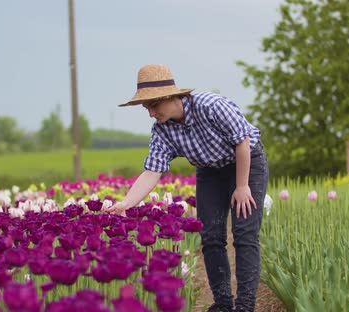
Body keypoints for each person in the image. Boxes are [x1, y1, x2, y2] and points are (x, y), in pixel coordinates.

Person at [105, 64, 269, 312]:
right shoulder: (162, 130)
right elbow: (152, 171)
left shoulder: (211, 105)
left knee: (244, 234)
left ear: (169, 96)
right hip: (209, 172)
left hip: (245, 162)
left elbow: (242, 141)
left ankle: (245, 306)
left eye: (153, 106)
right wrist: (127, 203)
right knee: (211, 236)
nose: (150, 114)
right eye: (146, 108)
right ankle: (223, 304)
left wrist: (242, 185)